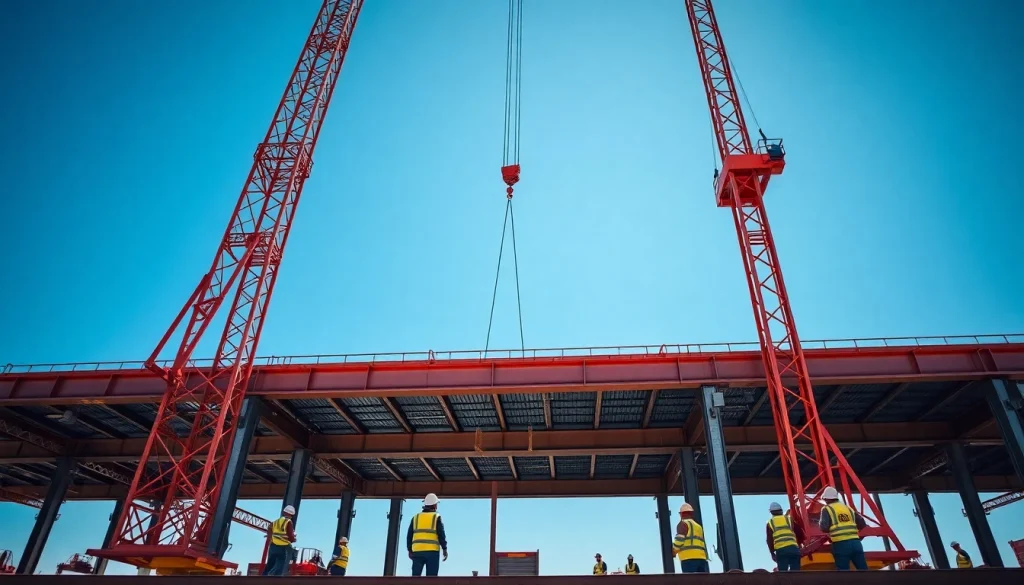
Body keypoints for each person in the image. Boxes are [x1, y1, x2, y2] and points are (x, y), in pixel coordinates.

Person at [818, 486, 867, 570]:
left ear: (827, 499)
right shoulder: (848, 508)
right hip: (856, 543)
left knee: (843, 572)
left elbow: (824, 527)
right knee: (863, 570)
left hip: (840, 544)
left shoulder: (827, 509)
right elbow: (862, 524)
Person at [407, 493, 448, 576]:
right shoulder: (436, 517)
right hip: (432, 552)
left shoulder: (416, 517)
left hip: (417, 552)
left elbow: (409, 535)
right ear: (434, 505)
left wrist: (409, 549)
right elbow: (441, 535)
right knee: (431, 580)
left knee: (415, 579)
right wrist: (444, 549)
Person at [766, 502, 804, 571]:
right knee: (796, 573)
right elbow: (800, 533)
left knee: (783, 574)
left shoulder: (770, 523)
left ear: (771, 512)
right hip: (793, 549)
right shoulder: (789, 519)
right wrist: (799, 545)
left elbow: (769, 540)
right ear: (781, 510)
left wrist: (772, 553)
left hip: (781, 551)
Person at [672, 502, 708, 573]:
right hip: (701, 558)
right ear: (691, 514)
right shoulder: (698, 526)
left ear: (681, 514)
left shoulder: (682, 524)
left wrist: (674, 551)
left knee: (690, 581)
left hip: (688, 559)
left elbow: (679, 541)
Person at [262, 505, 297, 576]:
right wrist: (294, 539)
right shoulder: (288, 522)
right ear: (291, 514)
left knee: (270, 563)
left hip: (273, 545)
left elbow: (269, 529)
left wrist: (271, 539)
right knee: (281, 564)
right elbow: (290, 536)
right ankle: (276, 580)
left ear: (283, 512)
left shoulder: (275, 522)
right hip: (283, 547)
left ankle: (263, 577)